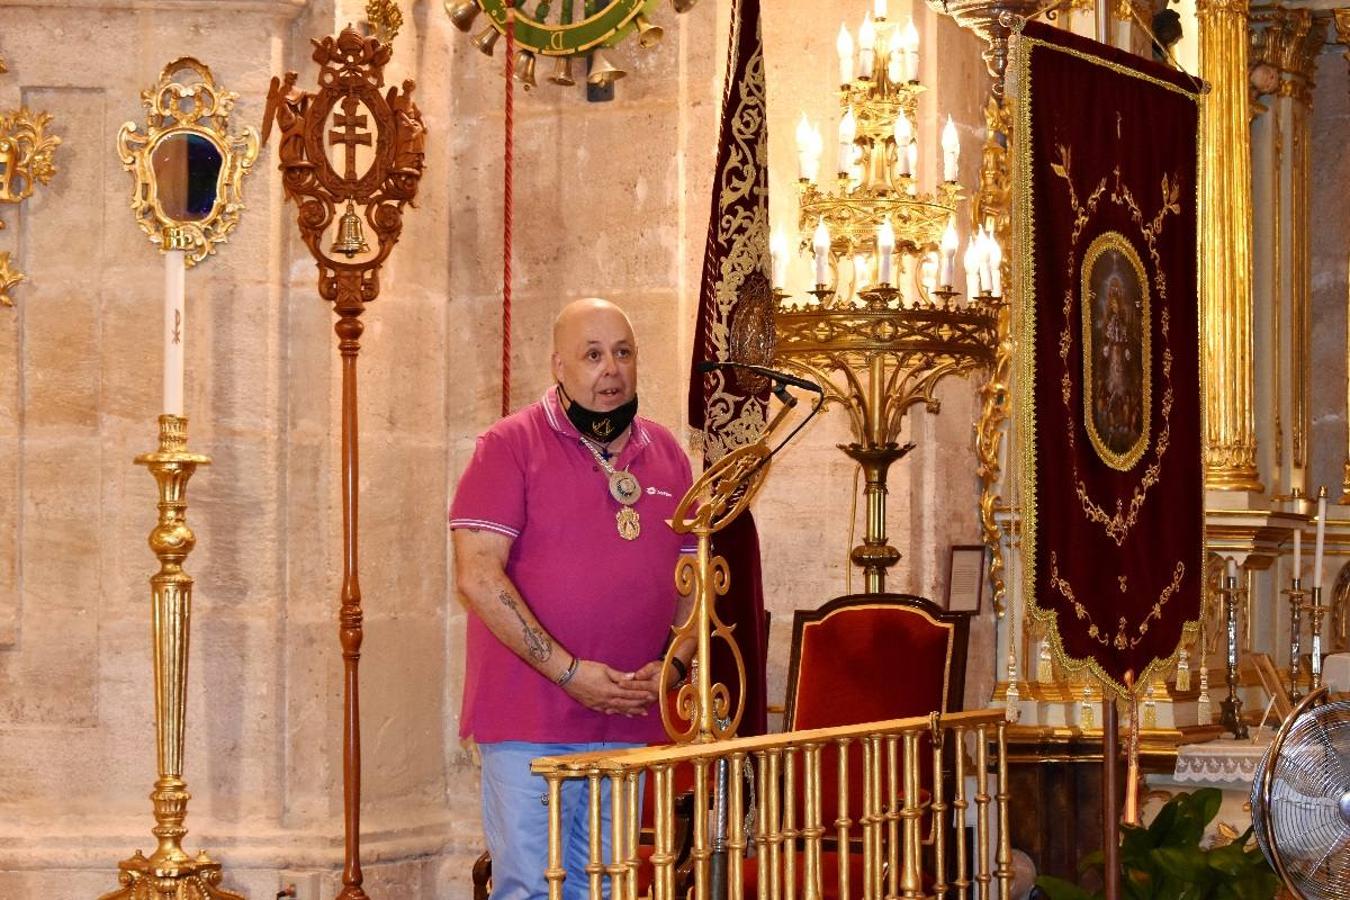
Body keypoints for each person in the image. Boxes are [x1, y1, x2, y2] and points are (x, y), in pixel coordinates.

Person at [449, 297, 695, 900]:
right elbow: (478, 576)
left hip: (626, 715)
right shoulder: (509, 445)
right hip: (531, 721)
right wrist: (569, 672)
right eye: (592, 355)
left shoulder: (665, 452)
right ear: (559, 365)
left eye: (622, 352)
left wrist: (674, 664)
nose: (610, 369)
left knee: (608, 887)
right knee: (534, 886)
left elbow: (697, 581)